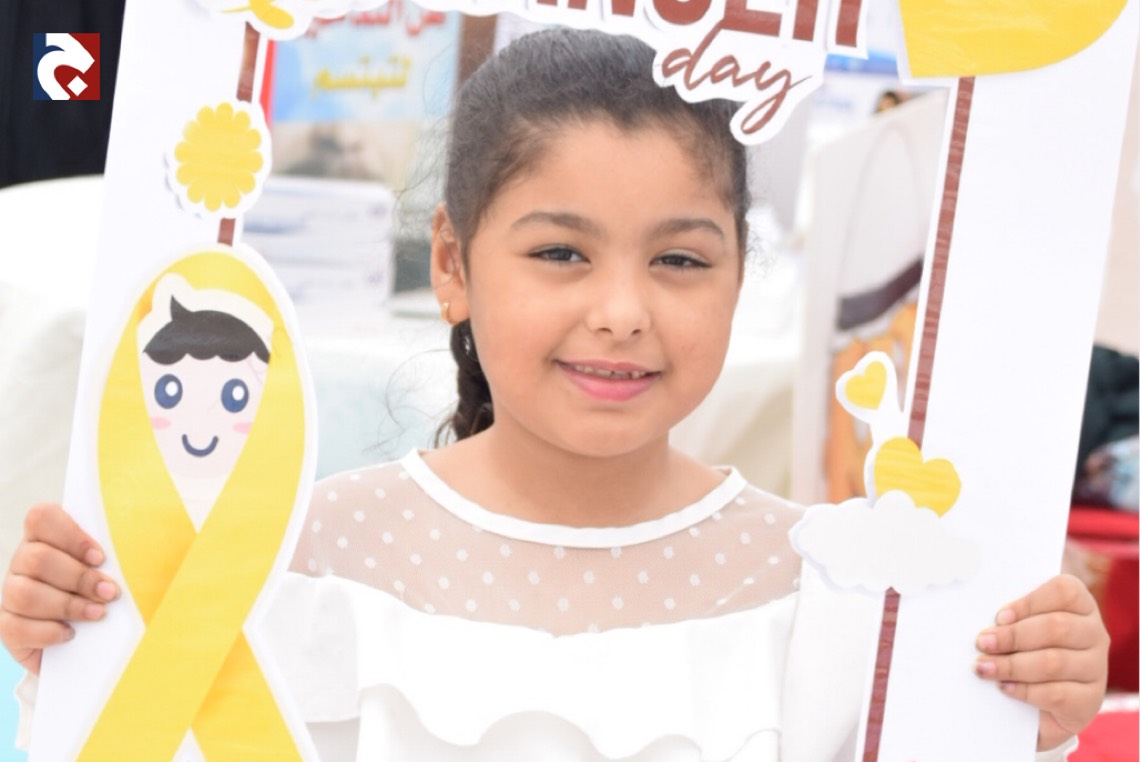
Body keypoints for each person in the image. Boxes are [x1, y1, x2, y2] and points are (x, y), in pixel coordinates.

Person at [0, 29, 1109, 760]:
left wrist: (1027, 712)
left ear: (740, 273)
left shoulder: (826, 593)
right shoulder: (298, 560)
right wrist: (77, 647)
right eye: (561, 254)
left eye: (680, 260)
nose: (622, 310)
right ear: (452, 264)